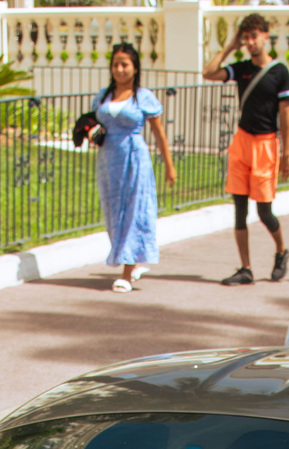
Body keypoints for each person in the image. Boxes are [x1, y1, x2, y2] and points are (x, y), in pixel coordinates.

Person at [204, 14, 289, 286]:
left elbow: (286, 114)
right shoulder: (241, 68)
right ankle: (246, 268)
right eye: (246, 38)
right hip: (242, 142)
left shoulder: (279, 72)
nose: (251, 42)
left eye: (255, 36)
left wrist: (285, 154)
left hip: (266, 145)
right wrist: (230, 46)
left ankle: (281, 251)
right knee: (239, 210)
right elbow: (208, 73)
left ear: (266, 35)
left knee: (264, 212)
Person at [91, 42, 178, 293]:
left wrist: (169, 166)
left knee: (133, 211)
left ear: (135, 67)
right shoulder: (104, 96)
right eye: (116, 64)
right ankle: (134, 260)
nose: (120, 69)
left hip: (134, 157)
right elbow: (92, 122)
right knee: (113, 212)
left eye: (125, 64)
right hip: (108, 159)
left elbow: (159, 133)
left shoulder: (143, 96)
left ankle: (127, 272)